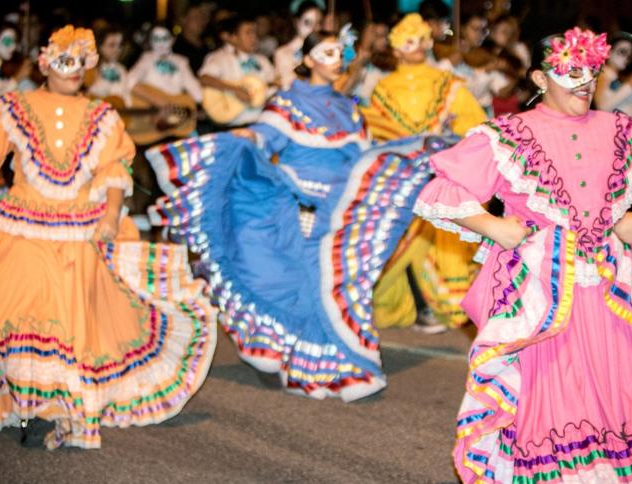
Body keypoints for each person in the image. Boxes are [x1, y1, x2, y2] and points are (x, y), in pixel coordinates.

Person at [414, 26, 632, 483]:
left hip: (613, 296)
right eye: (571, 71)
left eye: (591, 71)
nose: (585, 81)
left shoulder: (620, 129)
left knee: (624, 396)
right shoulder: (506, 134)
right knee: (553, 402)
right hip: (542, 299)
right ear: (540, 78)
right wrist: (494, 226)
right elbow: (445, 188)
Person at [0, 26, 217, 449]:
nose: (74, 69)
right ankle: (33, 402)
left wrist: (111, 215)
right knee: (27, 309)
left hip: (79, 231)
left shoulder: (101, 116)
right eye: (64, 61)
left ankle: (56, 405)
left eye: (80, 62)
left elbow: (114, 170)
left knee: (65, 320)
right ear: (44, 64)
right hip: (24, 225)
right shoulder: (14, 107)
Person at [146, 31, 437, 401]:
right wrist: (244, 138)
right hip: (300, 207)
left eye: (340, 52)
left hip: (341, 211)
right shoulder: (287, 101)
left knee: (337, 288)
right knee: (294, 285)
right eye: (327, 52)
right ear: (308, 59)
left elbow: (365, 158)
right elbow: (264, 136)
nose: (337, 59)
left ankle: (328, 359)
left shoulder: (349, 109)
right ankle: (280, 351)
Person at [362, 13, 488, 333]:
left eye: (421, 39)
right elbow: (377, 133)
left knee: (443, 240)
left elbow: (474, 124)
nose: (417, 46)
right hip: (402, 178)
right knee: (400, 240)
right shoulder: (384, 88)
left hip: (442, 174)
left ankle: (442, 305)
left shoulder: (447, 82)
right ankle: (414, 303)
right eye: (409, 41)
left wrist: (452, 138)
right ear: (396, 49)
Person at [199, 14, 275, 127]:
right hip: (233, 125)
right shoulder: (219, 58)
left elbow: (274, 84)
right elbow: (204, 79)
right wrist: (235, 90)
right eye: (248, 33)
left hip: (262, 123)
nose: (254, 37)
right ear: (233, 37)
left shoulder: (262, 60)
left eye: (255, 32)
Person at [127, 25, 203, 106]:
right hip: (153, 107)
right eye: (156, 39)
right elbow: (130, 81)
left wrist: (202, 102)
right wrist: (157, 100)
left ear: (173, 40)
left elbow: (194, 88)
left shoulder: (181, 62)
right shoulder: (147, 59)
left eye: (165, 38)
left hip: (175, 105)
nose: (160, 43)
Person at [273, 0, 325, 90]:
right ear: (296, 22)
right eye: (308, 23)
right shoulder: (283, 53)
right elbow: (287, 86)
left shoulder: (324, 49)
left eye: (318, 23)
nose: (314, 28)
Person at [85, 26, 132, 106]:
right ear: (100, 46)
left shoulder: (121, 69)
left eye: (119, 45)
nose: (117, 49)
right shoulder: (90, 69)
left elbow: (126, 97)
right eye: (112, 45)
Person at [173, 2, 215, 76]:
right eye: (195, 18)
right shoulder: (176, 49)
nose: (200, 21)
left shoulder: (208, 47)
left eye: (202, 18)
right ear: (183, 20)